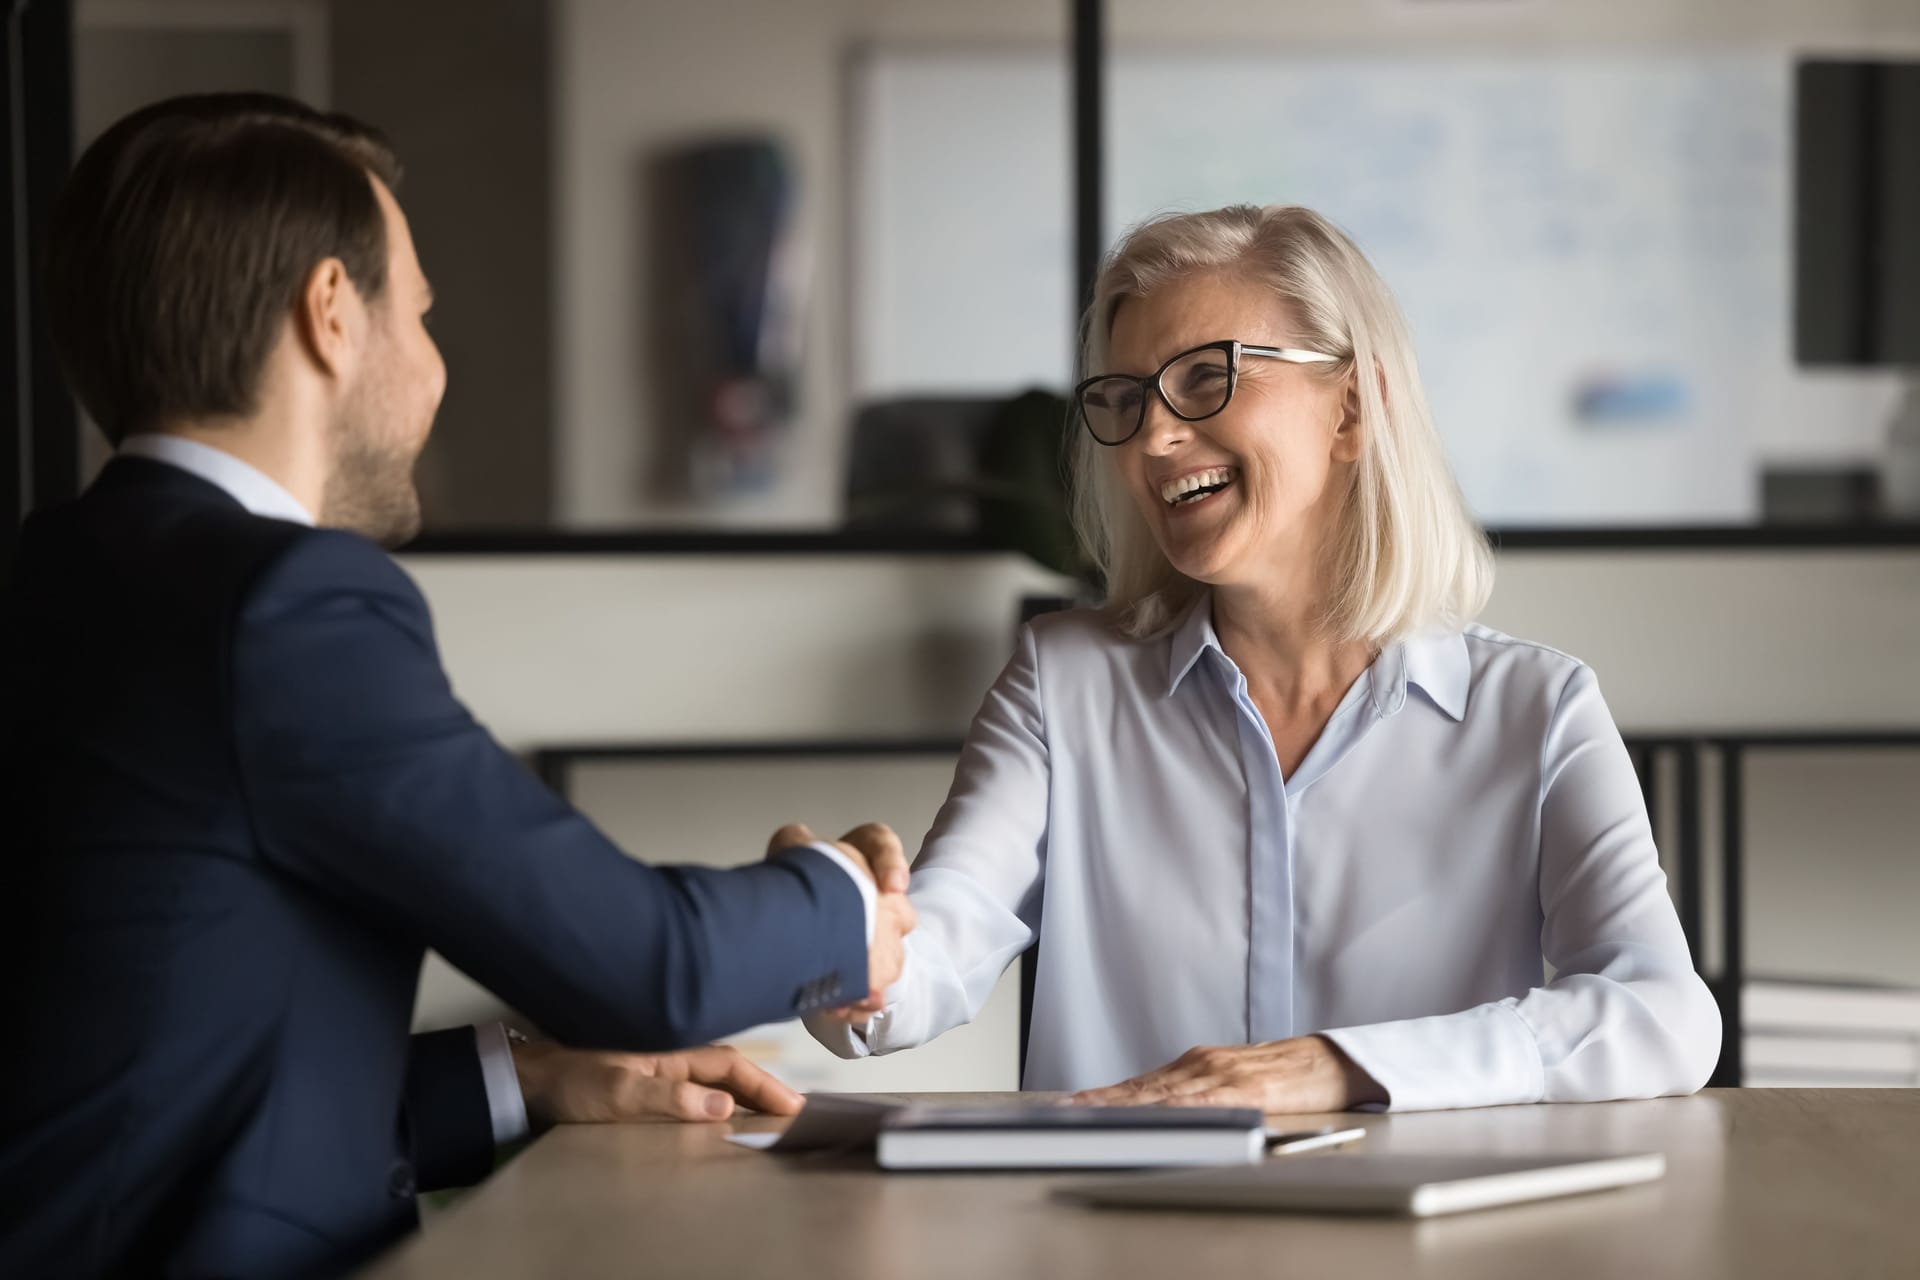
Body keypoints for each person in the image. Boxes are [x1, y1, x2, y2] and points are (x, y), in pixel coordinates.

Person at [0, 93, 914, 1279]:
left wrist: (525, 1078)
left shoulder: (57, 577)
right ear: (331, 313)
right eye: (420, 316)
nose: (433, 370)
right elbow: (644, 964)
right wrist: (849, 902)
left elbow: (157, 1072)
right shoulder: (280, 601)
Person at [808, 204, 1720, 1114]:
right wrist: (837, 933)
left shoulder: (1536, 710)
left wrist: (1338, 1067)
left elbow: (1664, 1016)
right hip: (1117, 1242)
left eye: (1207, 378)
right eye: (1125, 400)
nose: (1155, 439)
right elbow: (933, 951)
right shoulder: (1062, 686)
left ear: (1352, 409)